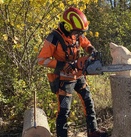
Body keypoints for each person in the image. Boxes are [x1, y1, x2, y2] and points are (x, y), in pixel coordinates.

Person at [37, 7, 107, 137]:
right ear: (68, 26)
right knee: (64, 110)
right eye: (77, 32)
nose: (79, 34)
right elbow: (41, 60)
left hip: (78, 75)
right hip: (64, 79)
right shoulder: (54, 38)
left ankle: (93, 131)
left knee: (88, 102)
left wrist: (92, 51)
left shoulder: (77, 34)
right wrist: (62, 65)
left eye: (80, 32)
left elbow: (86, 44)